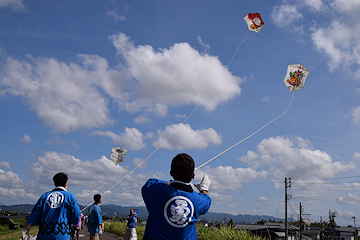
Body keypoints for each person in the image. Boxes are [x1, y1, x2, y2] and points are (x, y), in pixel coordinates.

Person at [142, 153, 211, 240]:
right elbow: (206, 201)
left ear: (171, 172)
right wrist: (204, 189)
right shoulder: (197, 200)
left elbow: (150, 183)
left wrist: (173, 181)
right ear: (193, 175)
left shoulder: (157, 191)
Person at [21, 172, 81, 240]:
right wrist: (73, 222)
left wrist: (27, 229)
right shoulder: (70, 197)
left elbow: (35, 213)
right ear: (65, 184)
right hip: (62, 234)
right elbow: (77, 214)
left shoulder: (45, 196)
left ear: (54, 183)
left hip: (44, 234)